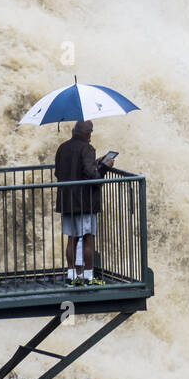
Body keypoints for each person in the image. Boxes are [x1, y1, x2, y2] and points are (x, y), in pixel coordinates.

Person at [54, 120, 112, 286]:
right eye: (91, 132)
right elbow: (91, 176)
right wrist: (104, 168)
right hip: (84, 201)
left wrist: (95, 163)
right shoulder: (87, 148)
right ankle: (88, 276)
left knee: (72, 238)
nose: (91, 135)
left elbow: (59, 172)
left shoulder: (62, 147)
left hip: (67, 200)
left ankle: (72, 275)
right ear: (87, 132)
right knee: (88, 238)